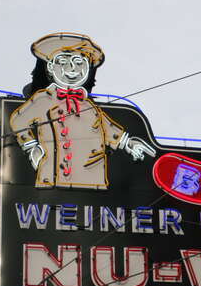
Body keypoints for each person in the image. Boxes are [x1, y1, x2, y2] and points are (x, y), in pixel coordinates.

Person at [10, 32, 155, 189]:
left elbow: (106, 127)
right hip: (56, 177)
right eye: (63, 61)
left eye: (79, 61)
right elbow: (18, 121)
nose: (72, 68)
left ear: (87, 67)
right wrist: (31, 146)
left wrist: (127, 142)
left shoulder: (88, 106)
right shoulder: (44, 99)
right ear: (51, 67)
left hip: (92, 177)